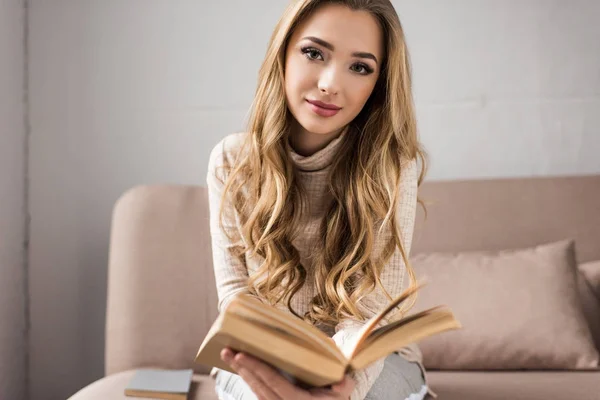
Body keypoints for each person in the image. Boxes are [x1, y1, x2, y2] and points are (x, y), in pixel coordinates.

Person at [206, 1, 430, 399]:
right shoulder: (231, 161)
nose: (330, 83)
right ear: (284, 54)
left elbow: (373, 313)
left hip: (370, 361)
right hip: (266, 356)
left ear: (378, 85)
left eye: (359, 67)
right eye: (314, 53)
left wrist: (342, 390)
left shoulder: (393, 166)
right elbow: (236, 299)